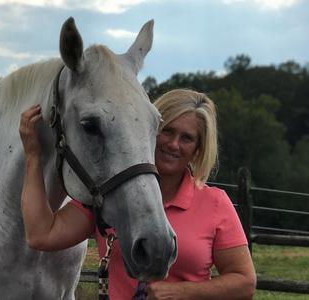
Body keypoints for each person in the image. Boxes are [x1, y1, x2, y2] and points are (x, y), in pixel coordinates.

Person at [19, 89, 256, 300]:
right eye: (168, 131)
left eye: (187, 138)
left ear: (197, 148)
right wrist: (33, 157)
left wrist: (181, 292)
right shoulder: (110, 194)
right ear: (149, 130)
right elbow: (42, 234)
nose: (173, 144)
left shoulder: (214, 203)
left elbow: (244, 283)